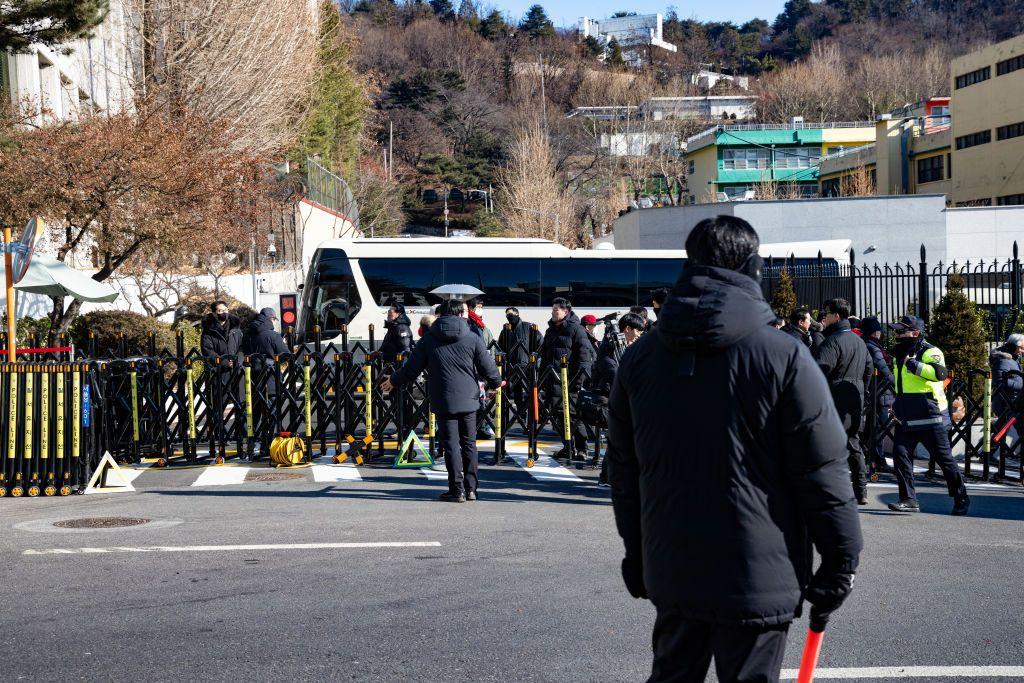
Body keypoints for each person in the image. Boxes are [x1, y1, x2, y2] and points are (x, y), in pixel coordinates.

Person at [607, 215, 862, 683]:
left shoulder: (640, 358)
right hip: (759, 573)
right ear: (752, 266)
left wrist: (636, 552)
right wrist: (841, 558)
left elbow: (624, 471)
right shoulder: (782, 355)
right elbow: (822, 469)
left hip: (673, 564)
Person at [383, 299, 502, 503]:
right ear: (459, 314)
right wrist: (495, 383)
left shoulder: (429, 339)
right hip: (469, 398)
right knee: (469, 444)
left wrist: (393, 380)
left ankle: (456, 490)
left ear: (441, 315)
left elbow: (412, 369)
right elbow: (488, 367)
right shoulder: (472, 337)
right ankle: (471, 488)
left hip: (444, 398)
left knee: (451, 445)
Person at [886, 315, 970, 515]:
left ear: (915, 333)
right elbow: (901, 382)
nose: (896, 335)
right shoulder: (900, 352)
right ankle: (908, 499)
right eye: (895, 331)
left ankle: (961, 496)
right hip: (906, 415)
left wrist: (914, 365)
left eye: (900, 331)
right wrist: (895, 400)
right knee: (900, 455)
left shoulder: (930, 351)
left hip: (931, 416)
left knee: (944, 459)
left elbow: (940, 373)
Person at [815, 298, 873, 505]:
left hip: (834, 398)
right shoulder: (859, 341)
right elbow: (868, 370)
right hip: (855, 397)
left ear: (836, 316)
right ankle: (861, 490)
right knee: (853, 444)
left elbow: (819, 370)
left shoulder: (832, 341)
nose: (824, 316)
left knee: (826, 444)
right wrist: (861, 391)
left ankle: (828, 489)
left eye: (827, 313)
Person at [588, 312, 645, 487]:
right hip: (610, 400)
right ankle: (607, 477)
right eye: (638, 331)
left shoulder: (627, 346)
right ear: (627, 329)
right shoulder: (610, 348)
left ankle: (610, 477)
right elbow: (613, 373)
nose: (640, 335)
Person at [541, 298, 596, 461]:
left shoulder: (576, 330)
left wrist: (578, 382)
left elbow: (584, 358)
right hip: (553, 381)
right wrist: (543, 378)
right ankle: (567, 446)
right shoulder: (550, 330)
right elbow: (545, 356)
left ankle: (582, 448)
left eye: (556, 310)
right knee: (558, 416)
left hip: (570, 382)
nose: (553, 313)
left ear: (565, 311)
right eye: (552, 310)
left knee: (574, 416)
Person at [860, 316, 894, 473]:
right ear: (875, 332)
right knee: (880, 427)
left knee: (872, 427)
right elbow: (884, 370)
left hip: (876, 392)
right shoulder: (874, 347)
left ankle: (869, 456)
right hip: (881, 392)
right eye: (878, 329)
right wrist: (897, 385)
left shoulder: (867, 344)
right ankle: (877, 458)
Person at [989, 334, 1024, 457]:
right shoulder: (1003, 360)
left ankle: (988, 452)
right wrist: (1021, 386)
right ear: (1014, 346)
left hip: (1012, 400)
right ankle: (988, 453)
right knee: (1011, 427)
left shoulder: (1011, 359)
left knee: (1003, 428)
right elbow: (999, 382)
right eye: (1021, 348)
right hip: (1007, 402)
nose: (1022, 351)